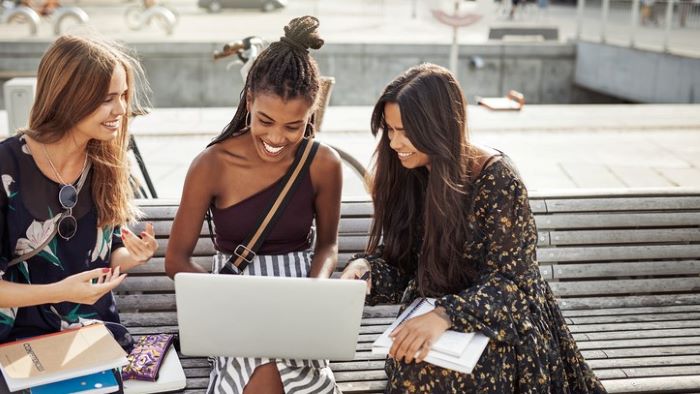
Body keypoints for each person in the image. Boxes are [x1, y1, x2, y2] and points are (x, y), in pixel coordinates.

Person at [341, 63, 607, 393]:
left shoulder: (496, 179)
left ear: (438, 127)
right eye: (390, 129)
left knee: (457, 377)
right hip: (435, 320)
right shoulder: (408, 173)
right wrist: (367, 271)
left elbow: (512, 283)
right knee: (413, 362)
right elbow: (404, 263)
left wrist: (444, 315)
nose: (395, 143)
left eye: (405, 130)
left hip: (506, 322)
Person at [164, 16, 342, 394]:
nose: (277, 137)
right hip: (232, 299)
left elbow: (327, 245)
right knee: (261, 372)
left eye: (294, 126)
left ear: (311, 112)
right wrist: (227, 299)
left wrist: (316, 291)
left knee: (285, 371)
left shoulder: (324, 163)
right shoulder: (211, 164)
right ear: (248, 100)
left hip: (299, 297)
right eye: (265, 120)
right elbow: (175, 259)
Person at [0, 35, 158, 350]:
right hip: (17, 342)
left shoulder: (108, 163)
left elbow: (106, 251)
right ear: (68, 96)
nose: (122, 109)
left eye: (124, 95)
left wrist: (131, 256)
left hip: (94, 336)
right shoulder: (6, 166)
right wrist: (62, 292)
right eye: (107, 98)